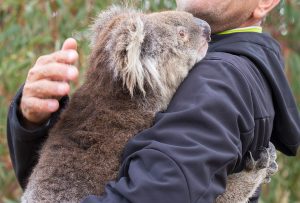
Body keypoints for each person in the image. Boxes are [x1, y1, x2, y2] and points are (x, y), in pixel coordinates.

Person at [7, 0, 300, 202]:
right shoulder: (156, 80)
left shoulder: (218, 78)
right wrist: (33, 119)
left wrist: (241, 186)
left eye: (184, 34)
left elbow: (162, 193)